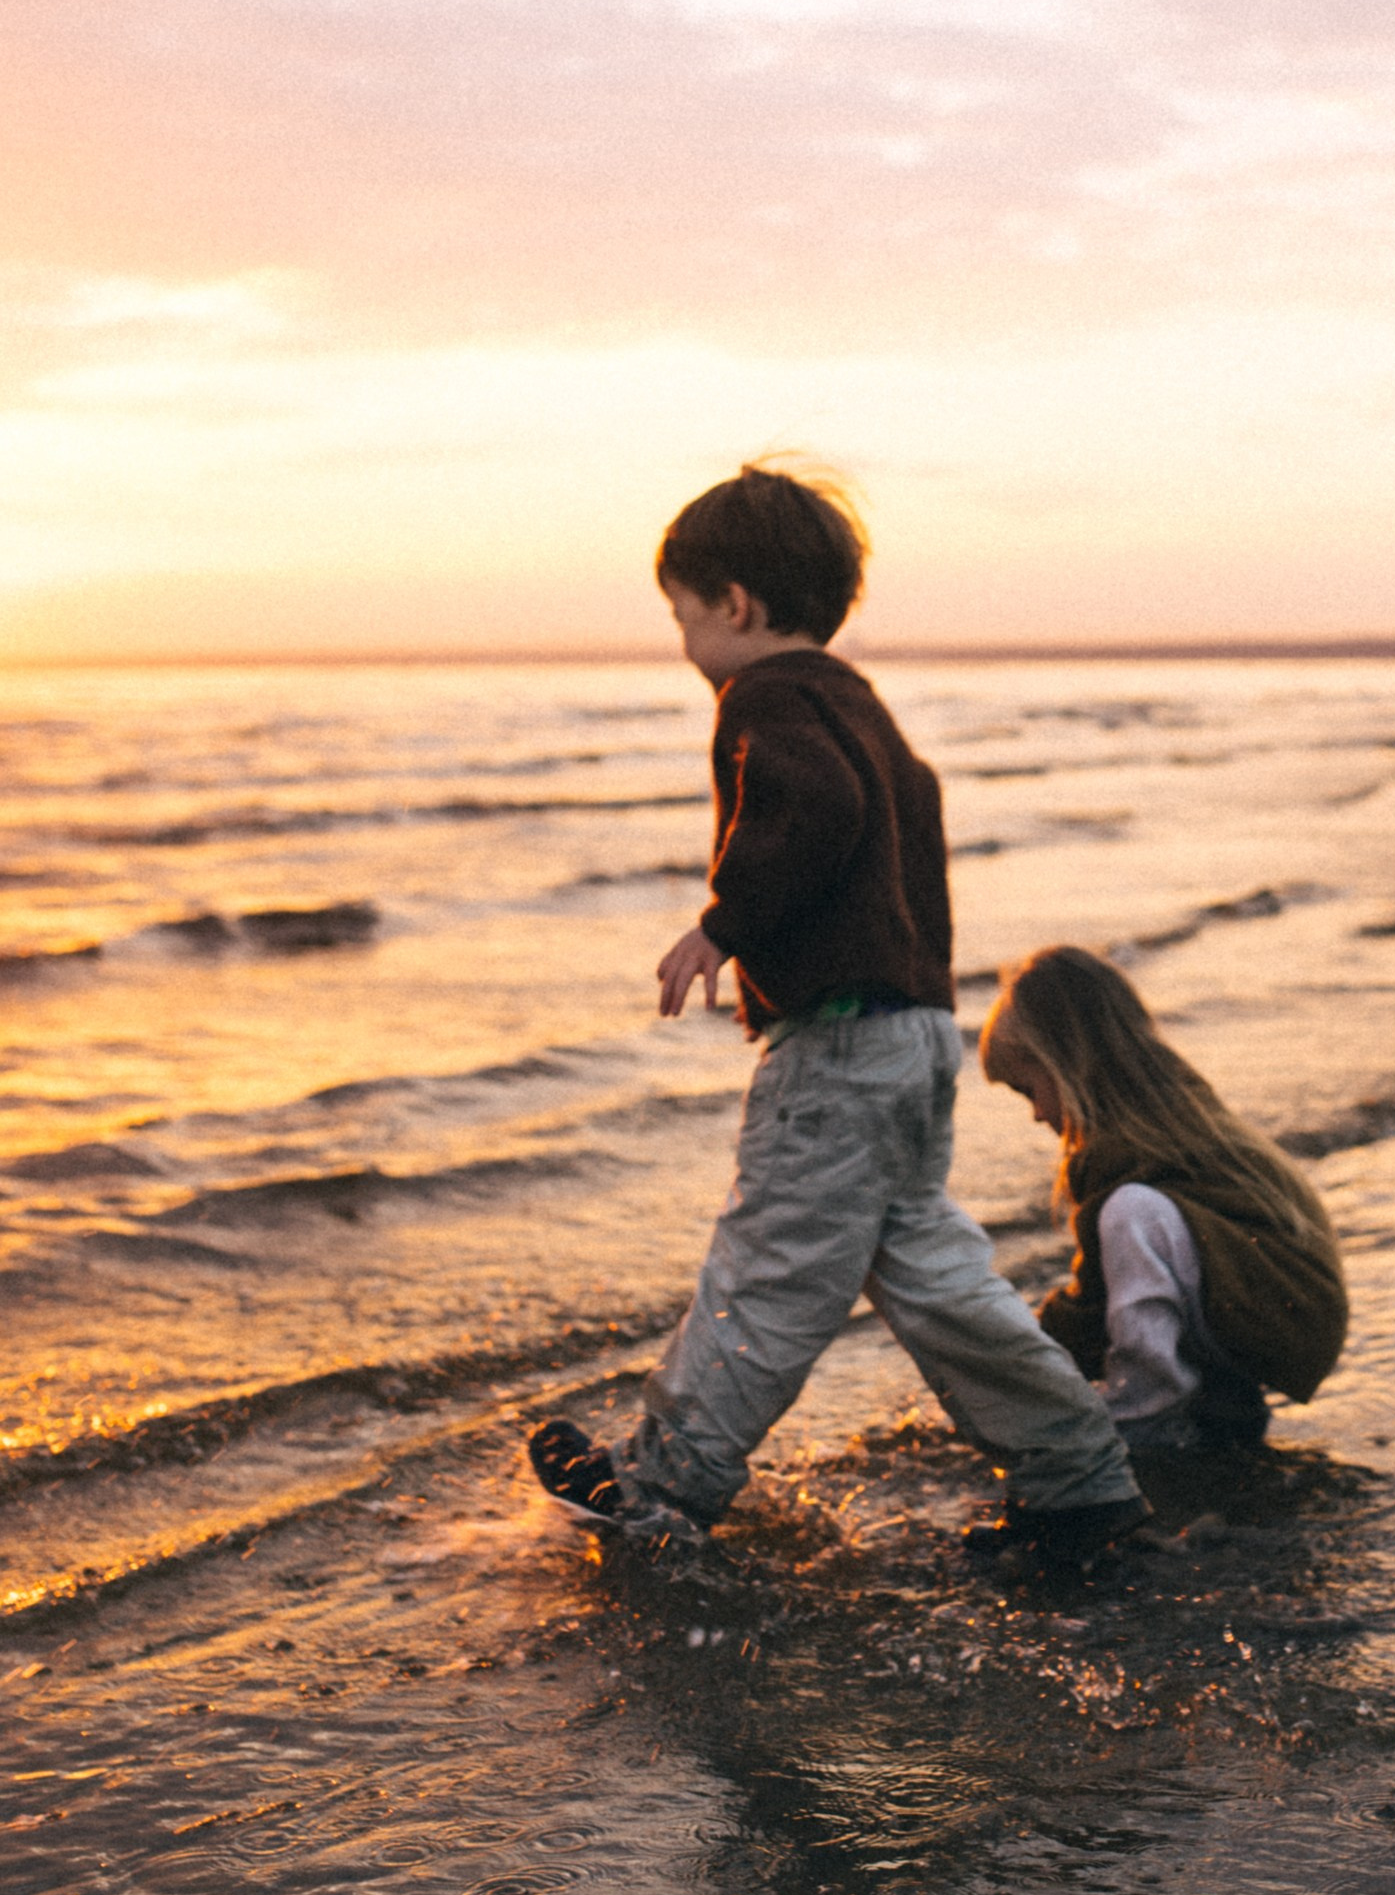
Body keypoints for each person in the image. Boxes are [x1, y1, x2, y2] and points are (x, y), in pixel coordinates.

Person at [526, 464, 1148, 1569]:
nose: (681, 642)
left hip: (839, 1046)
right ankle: (1076, 1477)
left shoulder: (765, 698)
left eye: (680, 615)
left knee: (769, 1262)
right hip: (912, 1037)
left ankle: (662, 1485)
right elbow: (898, 818)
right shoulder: (859, 702)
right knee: (934, 1269)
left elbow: (815, 809)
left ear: (736, 604)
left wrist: (726, 921)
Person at [977, 944, 1347, 1454]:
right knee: (1140, 1222)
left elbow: (1099, 1300)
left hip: (1289, 1316)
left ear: (1065, 1063)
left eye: (1028, 1089)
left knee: (1133, 1215)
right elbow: (1102, 1299)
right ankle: (1213, 1402)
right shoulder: (1166, 1114)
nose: (1037, 1115)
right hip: (1286, 1313)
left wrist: (1020, 1357)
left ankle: (1147, 1410)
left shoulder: (1134, 1147)